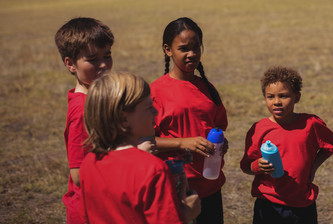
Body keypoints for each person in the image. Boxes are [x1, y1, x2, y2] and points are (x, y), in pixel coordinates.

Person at [79, 71, 201, 223]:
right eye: (149, 108)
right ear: (124, 119)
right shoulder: (153, 169)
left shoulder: (89, 163)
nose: (155, 112)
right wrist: (186, 214)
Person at [151, 17, 228, 224]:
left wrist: (222, 143)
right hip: (175, 186)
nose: (192, 54)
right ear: (168, 50)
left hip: (210, 185)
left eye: (196, 47)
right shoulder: (155, 92)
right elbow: (144, 142)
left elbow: (218, 127)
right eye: (184, 48)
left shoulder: (208, 89)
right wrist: (184, 142)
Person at [240, 66, 333, 224]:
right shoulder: (258, 129)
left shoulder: (311, 124)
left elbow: (331, 147)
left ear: (297, 97)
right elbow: (246, 166)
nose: (277, 102)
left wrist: (313, 167)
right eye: (270, 97)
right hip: (268, 203)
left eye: (283, 96)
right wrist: (258, 166)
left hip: (302, 203)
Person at [54, 17, 114, 224]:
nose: (104, 64)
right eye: (92, 59)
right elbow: (79, 174)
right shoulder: (82, 110)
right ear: (70, 64)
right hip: (89, 212)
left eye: (107, 55)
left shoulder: (95, 99)